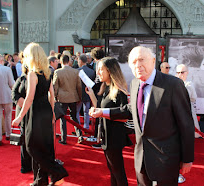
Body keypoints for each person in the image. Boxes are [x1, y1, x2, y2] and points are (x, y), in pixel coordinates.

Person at [90, 46, 194, 185]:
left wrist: (187, 158)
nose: (138, 65)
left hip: (166, 159)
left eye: (141, 60)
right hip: (141, 158)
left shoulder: (173, 85)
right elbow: (130, 109)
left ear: (152, 60)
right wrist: (102, 112)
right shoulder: (134, 84)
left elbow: (186, 124)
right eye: (133, 62)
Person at [12, 42, 68, 186]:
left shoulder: (32, 74)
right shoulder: (48, 72)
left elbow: (30, 98)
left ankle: (57, 172)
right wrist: (53, 113)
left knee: (32, 146)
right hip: (46, 111)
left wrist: (19, 117)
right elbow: (52, 95)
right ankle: (40, 181)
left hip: (35, 112)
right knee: (45, 146)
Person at [86, 57, 132, 186]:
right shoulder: (106, 88)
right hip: (106, 135)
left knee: (117, 171)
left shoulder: (119, 91)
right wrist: (91, 95)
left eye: (101, 69)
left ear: (110, 71)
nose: (98, 72)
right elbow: (100, 109)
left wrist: (102, 113)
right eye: (98, 69)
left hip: (114, 136)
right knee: (112, 170)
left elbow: (125, 115)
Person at [53, 55, 82, 144]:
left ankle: (64, 138)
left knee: (63, 119)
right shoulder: (75, 71)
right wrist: (80, 97)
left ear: (61, 62)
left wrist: (54, 97)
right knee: (74, 117)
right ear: (69, 61)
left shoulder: (58, 72)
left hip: (62, 98)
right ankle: (80, 135)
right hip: (73, 97)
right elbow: (79, 86)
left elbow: (55, 86)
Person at [11, 60, 32, 174]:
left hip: (35, 114)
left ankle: (34, 164)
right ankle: (25, 165)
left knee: (33, 139)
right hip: (23, 115)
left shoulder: (38, 79)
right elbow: (14, 94)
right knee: (24, 139)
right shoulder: (21, 79)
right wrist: (24, 104)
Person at [76, 54, 95, 133]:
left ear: (80, 61)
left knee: (77, 111)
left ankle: (78, 127)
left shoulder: (76, 71)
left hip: (78, 94)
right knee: (86, 111)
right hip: (88, 94)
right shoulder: (91, 71)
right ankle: (86, 127)